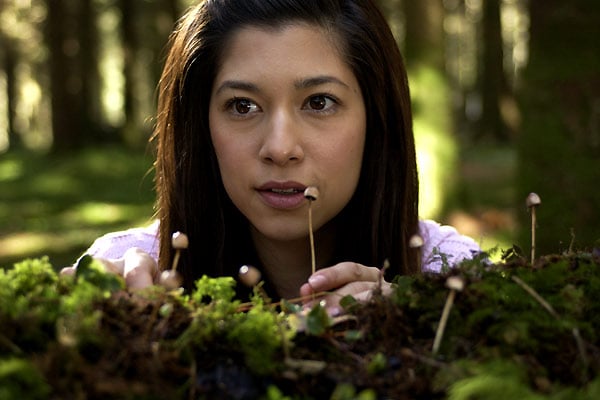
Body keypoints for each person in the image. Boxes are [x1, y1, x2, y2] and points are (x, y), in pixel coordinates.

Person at [63, 0, 480, 315]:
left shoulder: (448, 277)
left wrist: (413, 322)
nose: (280, 149)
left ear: (377, 117)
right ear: (200, 125)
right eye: (243, 106)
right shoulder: (133, 273)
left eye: (319, 102)